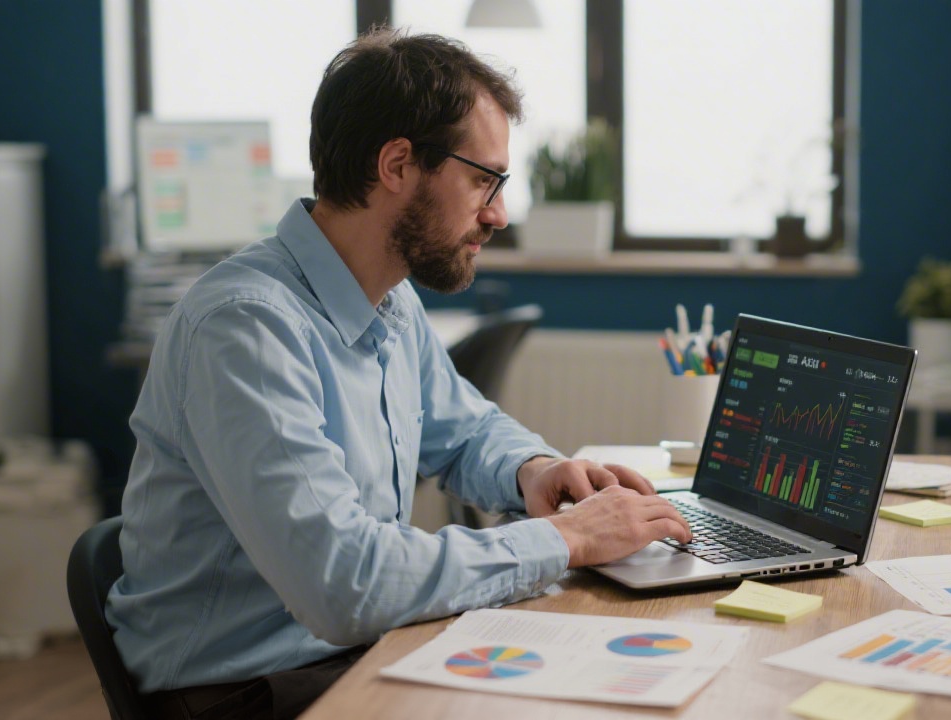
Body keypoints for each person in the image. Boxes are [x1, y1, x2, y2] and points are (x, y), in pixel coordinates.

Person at [106, 27, 691, 720]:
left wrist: (533, 469)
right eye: (483, 181)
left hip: (350, 651)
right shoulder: (245, 329)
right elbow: (348, 584)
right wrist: (570, 538)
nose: (499, 214)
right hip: (244, 690)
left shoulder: (389, 299)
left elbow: (465, 430)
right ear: (397, 166)